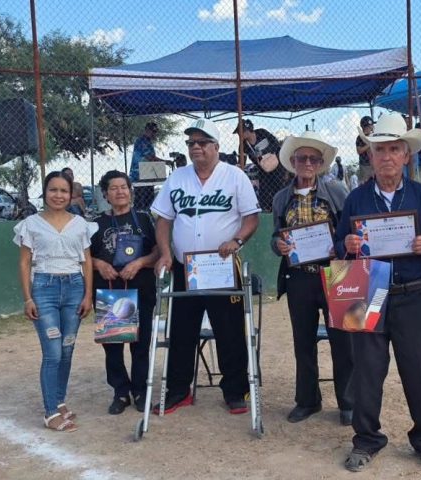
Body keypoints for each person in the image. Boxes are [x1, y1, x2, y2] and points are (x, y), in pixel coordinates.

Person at [336, 113, 421, 473]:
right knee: (367, 371)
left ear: (406, 155)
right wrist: (348, 242)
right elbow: (338, 246)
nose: (387, 156)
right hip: (365, 289)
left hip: (413, 292)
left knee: (418, 370)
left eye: (394, 149)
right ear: (370, 156)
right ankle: (367, 439)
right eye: (380, 149)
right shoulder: (355, 199)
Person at [152, 118, 261, 414]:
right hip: (184, 267)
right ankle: (178, 390)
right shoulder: (178, 178)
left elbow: (251, 218)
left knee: (230, 331)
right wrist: (164, 253)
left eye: (202, 142)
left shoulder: (234, 176)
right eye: (191, 143)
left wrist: (237, 241)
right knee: (181, 330)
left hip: (220, 265)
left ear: (216, 146)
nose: (196, 147)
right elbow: (163, 220)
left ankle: (236, 391)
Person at [270, 131, 354, 426]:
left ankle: (349, 402)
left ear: (320, 164)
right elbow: (274, 236)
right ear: (292, 162)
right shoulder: (281, 199)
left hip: (336, 273)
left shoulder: (337, 192)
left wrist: (338, 245)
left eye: (313, 159)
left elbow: (349, 231)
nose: (307, 163)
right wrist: (278, 245)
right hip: (299, 277)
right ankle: (307, 400)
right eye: (301, 158)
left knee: (343, 339)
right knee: (302, 341)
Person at [13, 171, 96, 432]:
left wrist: (87, 295)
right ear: (45, 192)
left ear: (71, 194)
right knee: (53, 353)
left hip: (74, 287)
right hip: (44, 289)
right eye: (53, 190)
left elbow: (87, 261)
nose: (58, 195)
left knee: (68, 348)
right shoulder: (31, 224)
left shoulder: (81, 224)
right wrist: (28, 298)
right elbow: (25, 262)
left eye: (63, 191)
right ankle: (50, 412)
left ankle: (59, 401)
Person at [90, 170, 159, 415]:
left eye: (124, 187)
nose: (120, 191)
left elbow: (158, 252)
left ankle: (140, 390)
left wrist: (139, 263)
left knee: (141, 342)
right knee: (114, 344)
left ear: (131, 190)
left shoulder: (143, 219)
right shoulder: (96, 223)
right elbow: (85, 256)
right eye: (113, 188)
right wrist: (100, 264)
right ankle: (120, 392)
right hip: (111, 290)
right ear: (106, 194)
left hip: (140, 288)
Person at [239, 118, 291, 212]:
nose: (239, 135)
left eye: (240, 132)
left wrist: (266, 153)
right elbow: (241, 160)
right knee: (264, 191)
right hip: (263, 171)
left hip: (277, 166)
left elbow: (276, 144)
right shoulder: (243, 145)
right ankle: (267, 210)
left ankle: (282, 208)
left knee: (279, 187)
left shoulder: (262, 133)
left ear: (247, 131)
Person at [130, 122, 169, 210]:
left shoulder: (147, 141)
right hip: (140, 173)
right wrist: (165, 162)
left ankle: (146, 215)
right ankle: (140, 215)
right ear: (147, 130)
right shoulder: (143, 141)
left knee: (148, 196)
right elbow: (150, 157)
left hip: (146, 173)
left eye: (156, 132)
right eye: (153, 131)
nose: (155, 134)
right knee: (142, 199)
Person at [356, 116, 374, 184]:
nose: (373, 126)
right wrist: (369, 144)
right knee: (365, 183)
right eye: (371, 125)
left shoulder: (373, 136)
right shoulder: (360, 137)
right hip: (365, 165)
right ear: (367, 126)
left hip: (374, 164)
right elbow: (359, 151)